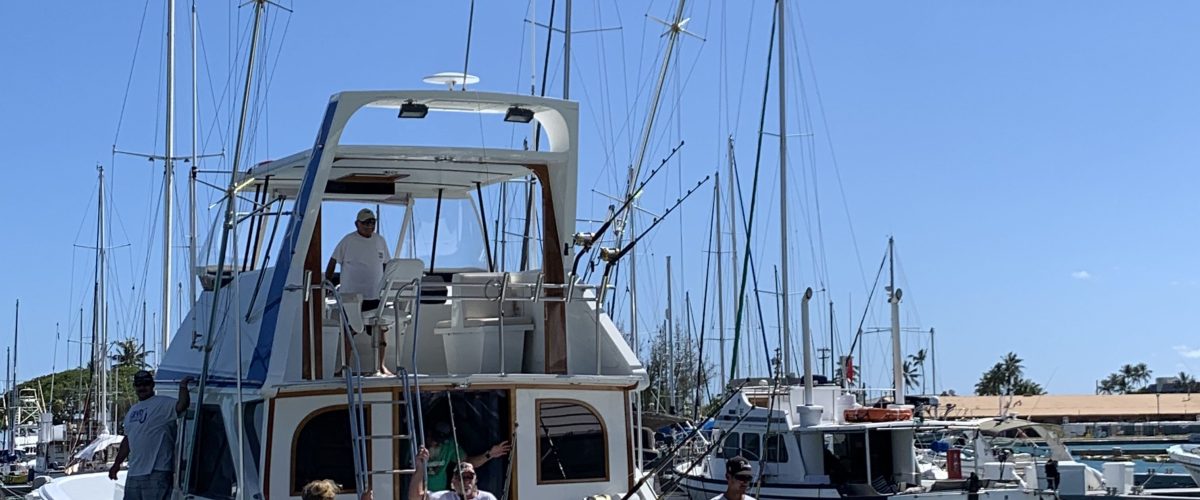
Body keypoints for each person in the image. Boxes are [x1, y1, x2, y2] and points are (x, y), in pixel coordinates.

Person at [326, 208, 393, 375]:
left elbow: (387, 264)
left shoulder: (380, 240)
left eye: (372, 222)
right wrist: (327, 283)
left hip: (374, 294)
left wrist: (387, 284)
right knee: (350, 330)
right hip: (352, 297)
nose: (370, 226)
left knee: (380, 329)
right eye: (366, 223)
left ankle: (381, 366)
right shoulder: (348, 241)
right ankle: (345, 367)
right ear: (357, 224)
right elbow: (333, 261)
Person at [108, 371, 192, 500]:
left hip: (157, 472)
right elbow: (128, 440)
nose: (142, 388)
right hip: (134, 473)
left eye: (146, 384)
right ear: (135, 387)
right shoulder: (132, 411)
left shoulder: (164, 403)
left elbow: (182, 405)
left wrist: (183, 387)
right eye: (139, 385)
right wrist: (116, 464)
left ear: (152, 385)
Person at [423, 422, 511, 492]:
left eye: (439, 441)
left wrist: (490, 454)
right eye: (433, 438)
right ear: (428, 433)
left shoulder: (449, 446)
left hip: (439, 496)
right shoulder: (414, 444)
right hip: (416, 495)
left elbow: (468, 463)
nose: (434, 443)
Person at [410, 447, 497, 500]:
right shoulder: (444, 497)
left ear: (475, 479)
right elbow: (416, 498)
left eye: (469, 477)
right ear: (454, 482)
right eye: (462, 477)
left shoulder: (488, 498)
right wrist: (420, 466)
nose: (466, 482)